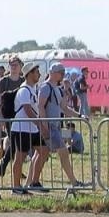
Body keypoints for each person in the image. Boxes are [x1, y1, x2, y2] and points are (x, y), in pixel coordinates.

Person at [28, 63, 88, 191]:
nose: (62, 74)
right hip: (49, 126)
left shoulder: (59, 89)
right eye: (60, 72)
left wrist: (79, 116)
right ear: (53, 73)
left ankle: (32, 183)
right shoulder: (45, 88)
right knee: (62, 152)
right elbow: (41, 107)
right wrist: (44, 126)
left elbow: (64, 108)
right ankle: (74, 182)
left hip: (54, 126)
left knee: (41, 155)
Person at [7, 64, 48, 195]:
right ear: (30, 74)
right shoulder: (24, 90)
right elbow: (27, 110)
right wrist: (40, 125)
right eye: (37, 72)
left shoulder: (33, 89)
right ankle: (16, 186)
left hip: (32, 129)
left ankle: (34, 182)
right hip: (21, 128)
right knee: (20, 157)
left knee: (44, 150)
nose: (39, 74)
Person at [0, 57, 27, 177]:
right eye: (11, 65)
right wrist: (1, 118)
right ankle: (5, 163)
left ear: (20, 66)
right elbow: (0, 102)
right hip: (8, 116)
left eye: (16, 65)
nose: (13, 67)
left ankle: (12, 165)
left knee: (18, 143)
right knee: (14, 141)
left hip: (21, 115)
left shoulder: (24, 81)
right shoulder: (4, 81)